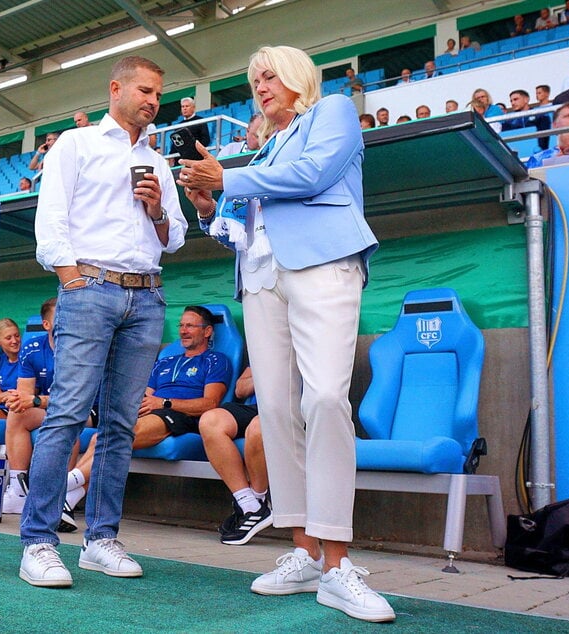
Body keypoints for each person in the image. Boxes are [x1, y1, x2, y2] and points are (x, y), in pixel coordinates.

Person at [178, 45, 394, 623]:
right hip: (259, 277)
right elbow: (240, 225)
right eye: (254, 80)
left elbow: (313, 174)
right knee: (275, 411)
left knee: (326, 397)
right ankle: (301, 553)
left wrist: (229, 175)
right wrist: (208, 205)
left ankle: (337, 565)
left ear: (299, 77)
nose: (261, 86)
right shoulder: (264, 146)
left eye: (270, 75)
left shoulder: (334, 112)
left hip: (323, 264)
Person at [20, 55, 186, 588]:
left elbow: (175, 237)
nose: (152, 101)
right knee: (67, 412)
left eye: (158, 94)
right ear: (114, 89)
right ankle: (39, 542)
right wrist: (71, 279)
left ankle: (101, 539)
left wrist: (158, 208)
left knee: (119, 424)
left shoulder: (157, 163)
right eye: (144, 90)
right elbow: (52, 219)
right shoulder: (77, 143)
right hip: (89, 287)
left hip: (147, 296)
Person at [69, 305, 231, 501]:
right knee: (100, 438)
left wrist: (164, 403)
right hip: (154, 413)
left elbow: (210, 403)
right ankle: (68, 500)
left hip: (183, 417)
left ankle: (63, 484)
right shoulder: (165, 362)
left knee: (115, 437)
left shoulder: (215, 360)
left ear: (207, 331)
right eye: (181, 325)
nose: (183, 331)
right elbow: (144, 397)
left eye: (190, 326)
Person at [199, 366, 271, 545]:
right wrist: (270, 372)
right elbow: (240, 390)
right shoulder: (269, 346)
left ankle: (258, 500)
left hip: (296, 409)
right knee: (210, 421)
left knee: (257, 428)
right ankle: (250, 505)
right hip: (258, 407)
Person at [2, 300, 56, 515]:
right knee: (17, 413)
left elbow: (75, 400)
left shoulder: (81, 348)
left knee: (63, 421)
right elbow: (25, 396)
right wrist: (19, 400)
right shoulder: (33, 347)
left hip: (86, 410)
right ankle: (18, 491)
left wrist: (36, 401)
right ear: (46, 324)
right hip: (49, 407)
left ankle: (59, 495)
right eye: (59, 318)